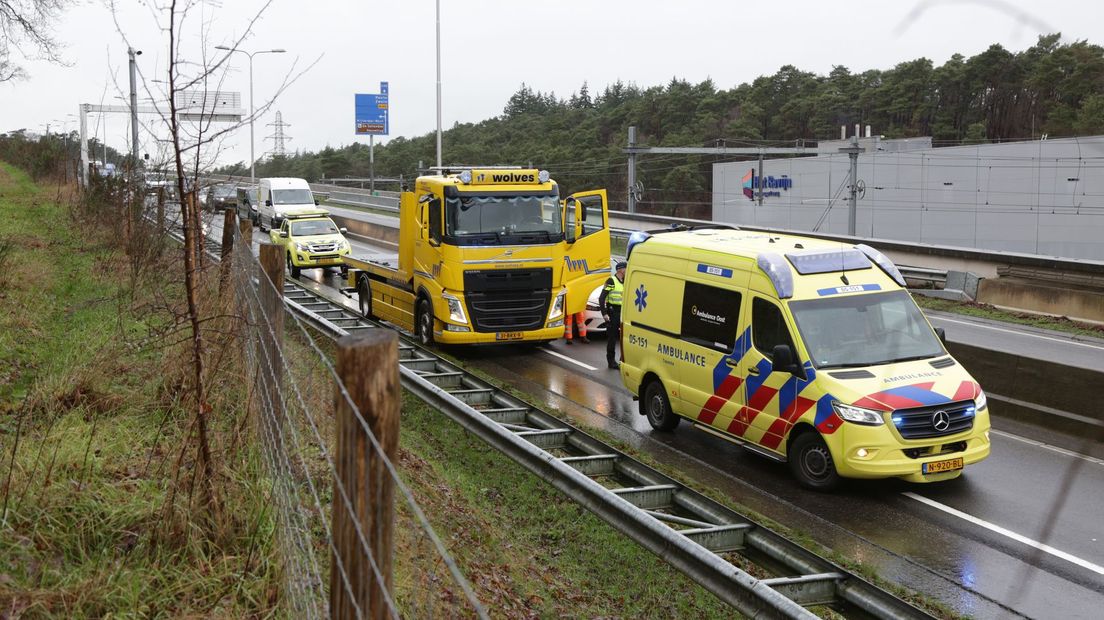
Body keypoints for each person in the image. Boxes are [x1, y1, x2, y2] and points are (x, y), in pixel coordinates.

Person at [598, 261, 626, 369]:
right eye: (625, 269)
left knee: (623, 338)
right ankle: (611, 361)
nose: (627, 271)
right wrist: (604, 313)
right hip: (613, 312)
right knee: (612, 338)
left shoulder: (625, 281)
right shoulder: (611, 281)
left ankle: (622, 360)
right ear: (620, 269)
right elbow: (602, 298)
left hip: (622, 312)